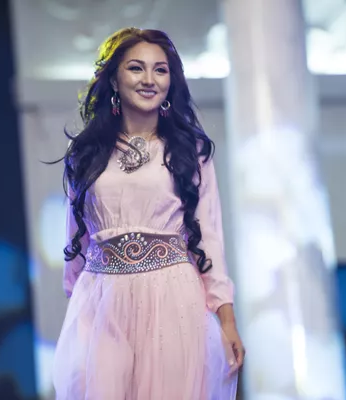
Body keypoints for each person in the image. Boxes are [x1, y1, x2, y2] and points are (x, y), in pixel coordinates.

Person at [52, 27, 244, 399]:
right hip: (102, 298)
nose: (149, 79)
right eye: (136, 68)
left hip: (171, 297)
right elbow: (76, 237)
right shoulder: (86, 153)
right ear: (114, 79)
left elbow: (209, 236)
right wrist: (78, 301)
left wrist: (227, 318)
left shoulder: (190, 151)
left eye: (160, 70)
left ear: (171, 81)